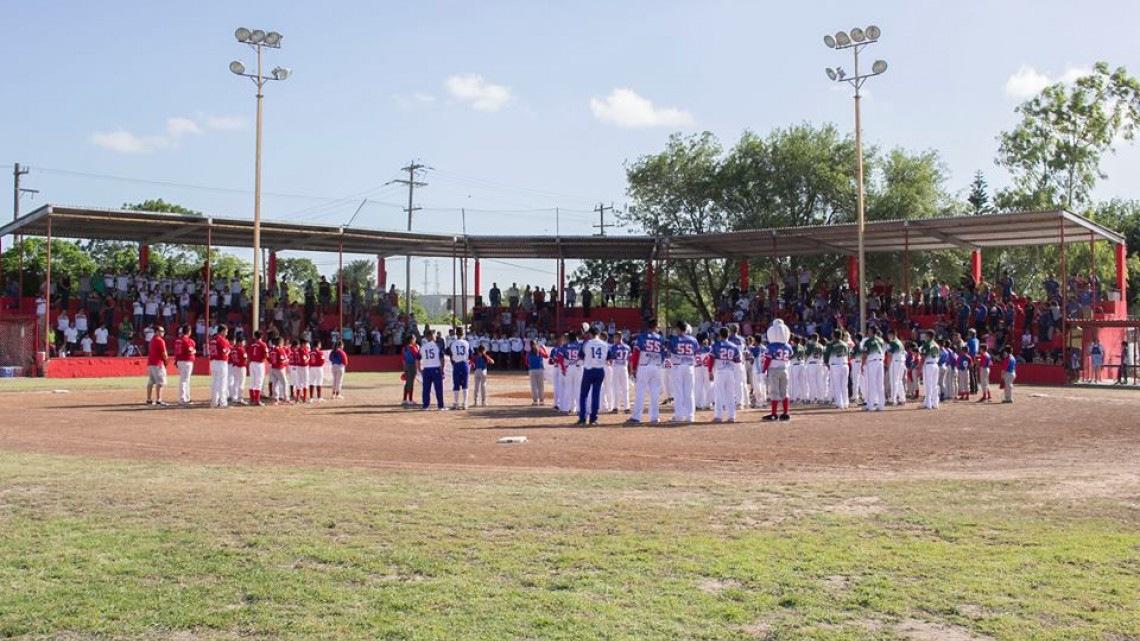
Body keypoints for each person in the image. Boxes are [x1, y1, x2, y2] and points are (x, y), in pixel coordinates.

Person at [629, 319, 665, 425]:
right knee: (655, 393)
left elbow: (636, 353)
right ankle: (655, 417)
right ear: (655, 327)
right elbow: (663, 354)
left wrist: (634, 368)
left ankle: (636, 417)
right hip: (656, 367)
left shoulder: (641, 337)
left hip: (644, 366)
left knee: (640, 391)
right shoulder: (661, 339)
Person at [762, 319, 793, 421]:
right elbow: (790, 356)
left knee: (774, 392)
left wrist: (764, 370)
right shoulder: (788, 346)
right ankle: (785, 412)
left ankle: (774, 414)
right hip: (784, 368)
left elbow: (768, 359)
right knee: (784, 392)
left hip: (774, 369)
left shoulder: (771, 346)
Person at [709, 327, 742, 423]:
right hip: (730, 370)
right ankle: (731, 416)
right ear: (728, 335)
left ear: (720, 335)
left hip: (719, 371)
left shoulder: (716, 345)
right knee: (730, 394)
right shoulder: (733, 346)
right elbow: (737, 360)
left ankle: (718, 416)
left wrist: (710, 371)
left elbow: (711, 359)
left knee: (718, 393)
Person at [576, 328, 609, 426]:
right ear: (598, 333)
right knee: (596, 394)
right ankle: (593, 418)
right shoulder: (605, 344)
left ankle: (582, 418)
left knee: (584, 395)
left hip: (589, 370)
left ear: (590, 334)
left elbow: (580, 356)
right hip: (599, 370)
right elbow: (609, 357)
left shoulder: (587, 343)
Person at [668, 322, 699, 423]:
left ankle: (679, 415)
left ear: (678, 328)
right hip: (689, 366)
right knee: (689, 392)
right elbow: (696, 353)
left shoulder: (674, 339)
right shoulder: (693, 340)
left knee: (678, 392)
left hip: (678, 366)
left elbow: (671, 353)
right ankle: (690, 416)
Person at [418, 329, 445, 410]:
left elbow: (417, 358)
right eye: (434, 335)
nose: (435, 336)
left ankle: (425, 405)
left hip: (426, 369)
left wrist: (419, 368)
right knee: (438, 388)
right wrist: (442, 368)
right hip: (435, 368)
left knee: (426, 388)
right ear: (430, 336)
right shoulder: (437, 346)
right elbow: (441, 358)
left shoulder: (423, 347)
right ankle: (440, 405)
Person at [824, 331, 851, 410]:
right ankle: (846, 403)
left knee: (837, 385)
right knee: (844, 385)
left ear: (834, 335)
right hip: (845, 364)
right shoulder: (846, 344)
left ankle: (840, 404)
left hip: (835, 365)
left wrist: (826, 363)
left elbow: (826, 355)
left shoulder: (830, 344)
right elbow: (849, 355)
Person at [862, 327, 886, 412]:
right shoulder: (881, 340)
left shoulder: (867, 341)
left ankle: (870, 405)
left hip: (872, 363)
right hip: (880, 362)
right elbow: (884, 351)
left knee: (871, 384)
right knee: (880, 385)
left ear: (872, 332)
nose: (868, 332)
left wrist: (862, 364)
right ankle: (881, 405)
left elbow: (864, 355)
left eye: (868, 331)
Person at [208, 325, 232, 409]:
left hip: (213, 362)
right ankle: (223, 402)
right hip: (221, 362)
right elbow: (225, 351)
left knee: (214, 382)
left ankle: (214, 402)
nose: (226, 333)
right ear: (222, 331)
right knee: (222, 382)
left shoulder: (212, 340)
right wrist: (229, 350)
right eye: (226, 332)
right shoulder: (222, 340)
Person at [448, 327, 471, 410]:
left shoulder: (453, 343)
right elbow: (471, 354)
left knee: (456, 384)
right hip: (465, 363)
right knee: (465, 384)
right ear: (463, 334)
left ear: (456, 334)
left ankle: (456, 403)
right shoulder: (466, 343)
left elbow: (450, 355)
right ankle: (465, 403)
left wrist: (453, 362)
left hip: (456, 364)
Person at [145, 325, 168, 406]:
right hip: (158, 363)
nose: (163, 333)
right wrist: (166, 361)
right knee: (160, 382)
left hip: (151, 363)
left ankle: (149, 399)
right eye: (162, 331)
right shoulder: (160, 340)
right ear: (157, 332)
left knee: (151, 381)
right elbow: (164, 353)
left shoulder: (152, 340)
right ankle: (159, 399)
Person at [607, 334, 631, 413]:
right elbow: (630, 359)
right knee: (625, 388)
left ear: (618, 338)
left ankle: (616, 407)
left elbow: (610, 359)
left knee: (616, 388)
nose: (614, 339)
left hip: (616, 367)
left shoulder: (613, 347)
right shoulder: (627, 347)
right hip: (624, 368)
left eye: (615, 338)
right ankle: (627, 407)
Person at [918, 330, 941, 410]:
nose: (925, 337)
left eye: (926, 335)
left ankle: (928, 404)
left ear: (928, 336)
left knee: (928, 385)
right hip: (935, 364)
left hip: (929, 365)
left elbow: (923, 356)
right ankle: (935, 403)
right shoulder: (936, 345)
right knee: (934, 385)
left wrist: (919, 367)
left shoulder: (927, 344)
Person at [173, 325, 196, 405]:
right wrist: (194, 351)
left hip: (180, 361)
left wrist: (176, 361)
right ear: (189, 331)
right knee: (185, 380)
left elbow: (176, 351)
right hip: (186, 361)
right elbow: (190, 351)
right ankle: (183, 398)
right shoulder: (187, 340)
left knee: (184, 379)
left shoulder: (178, 340)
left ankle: (186, 397)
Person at [885, 330, 906, 406]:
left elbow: (889, 355)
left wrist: (888, 365)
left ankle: (893, 400)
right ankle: (902, 398)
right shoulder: (900, 342)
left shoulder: (892, 342)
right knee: (899, 381)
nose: (888, 337)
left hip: (895, 362)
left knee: (894, 381)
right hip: (902, 362)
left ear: (892, 335)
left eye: (889, 335)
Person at [268, 335, 291, 405]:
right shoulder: (280, 350)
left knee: (275, 383)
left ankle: (275, 399)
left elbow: (269, 358)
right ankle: (286, 398)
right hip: (279, 368)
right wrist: (287, 360)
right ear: (280, 342)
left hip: (273, 367)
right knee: (285, 383)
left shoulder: (272, 349)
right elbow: (282, 361)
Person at [247, 331, 268, 406]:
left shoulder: (252, 345)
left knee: (252, 381)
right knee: (259, 382)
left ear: (255, 336)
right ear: (261, 336)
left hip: (252, 363)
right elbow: (266, 355)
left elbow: (248, 355)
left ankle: (252, 400)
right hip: (259, 364)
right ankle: (257, 400)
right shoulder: (263, 344)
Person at [228, 335, 248, 406]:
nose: (244, 343)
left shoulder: (233, 349)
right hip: (241, 367)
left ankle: (234, 398)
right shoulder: (241, 349)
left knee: (235, 383)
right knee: (241, 383)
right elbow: (245, 359)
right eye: (243, 341)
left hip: (235, 366)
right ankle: (240, 398)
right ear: (240, 342)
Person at [524, 341, 544, 406]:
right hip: (540, 369)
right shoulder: (540, 351)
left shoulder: (528, 353)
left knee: (534, 386)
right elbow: (546, 356)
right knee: (541, 385)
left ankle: (535, 400)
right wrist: (543, 349)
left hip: (532, 369)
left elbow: (526, 362)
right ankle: (541, 400)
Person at [401, 335, 419, 407]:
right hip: (412, 366)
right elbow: (417, 357)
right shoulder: (413, 348)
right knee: (411, 382)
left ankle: (405, 399)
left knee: (407, 382)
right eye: (414, 339)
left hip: (406, 366)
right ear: (412, 340)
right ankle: (410, 399)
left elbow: (403, 360)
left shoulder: (404, 348)